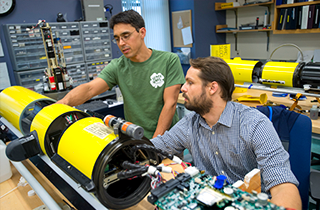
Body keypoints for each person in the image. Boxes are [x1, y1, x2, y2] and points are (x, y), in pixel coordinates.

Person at [151, 56, 301, 209]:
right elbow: (154, 148)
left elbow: (282, 183)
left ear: (212, 88)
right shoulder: (190, 123)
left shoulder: (255, 124)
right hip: (211, 200)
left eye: (190, 82)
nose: (183, 88)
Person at [56, 10, 185, 139]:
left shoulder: (169, 60)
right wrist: (63, 103)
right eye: (117, 39)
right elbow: (90, 89)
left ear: (142, 32)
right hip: (136, 138)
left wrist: (155, 142)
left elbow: (170, 103)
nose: (121, 43)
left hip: (168, 139)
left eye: (126, 36)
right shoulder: (118, 66)